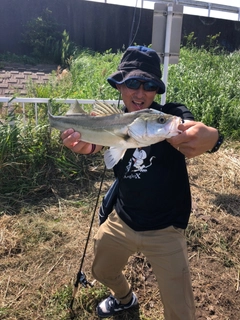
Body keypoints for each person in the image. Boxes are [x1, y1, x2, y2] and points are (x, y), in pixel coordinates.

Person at [61, 46, 222, 320]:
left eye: (149, 85)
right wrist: (88, 147)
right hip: (122, 219)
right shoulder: (110, 122)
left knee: (182, 313)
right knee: (101, 270)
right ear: (120, 86)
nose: (140, 92)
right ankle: (125, 298)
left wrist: (211, 137)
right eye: (133, 83)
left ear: (156, 91)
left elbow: (191, 126)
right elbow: (100, 147)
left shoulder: (167, 117)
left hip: (166, 228)